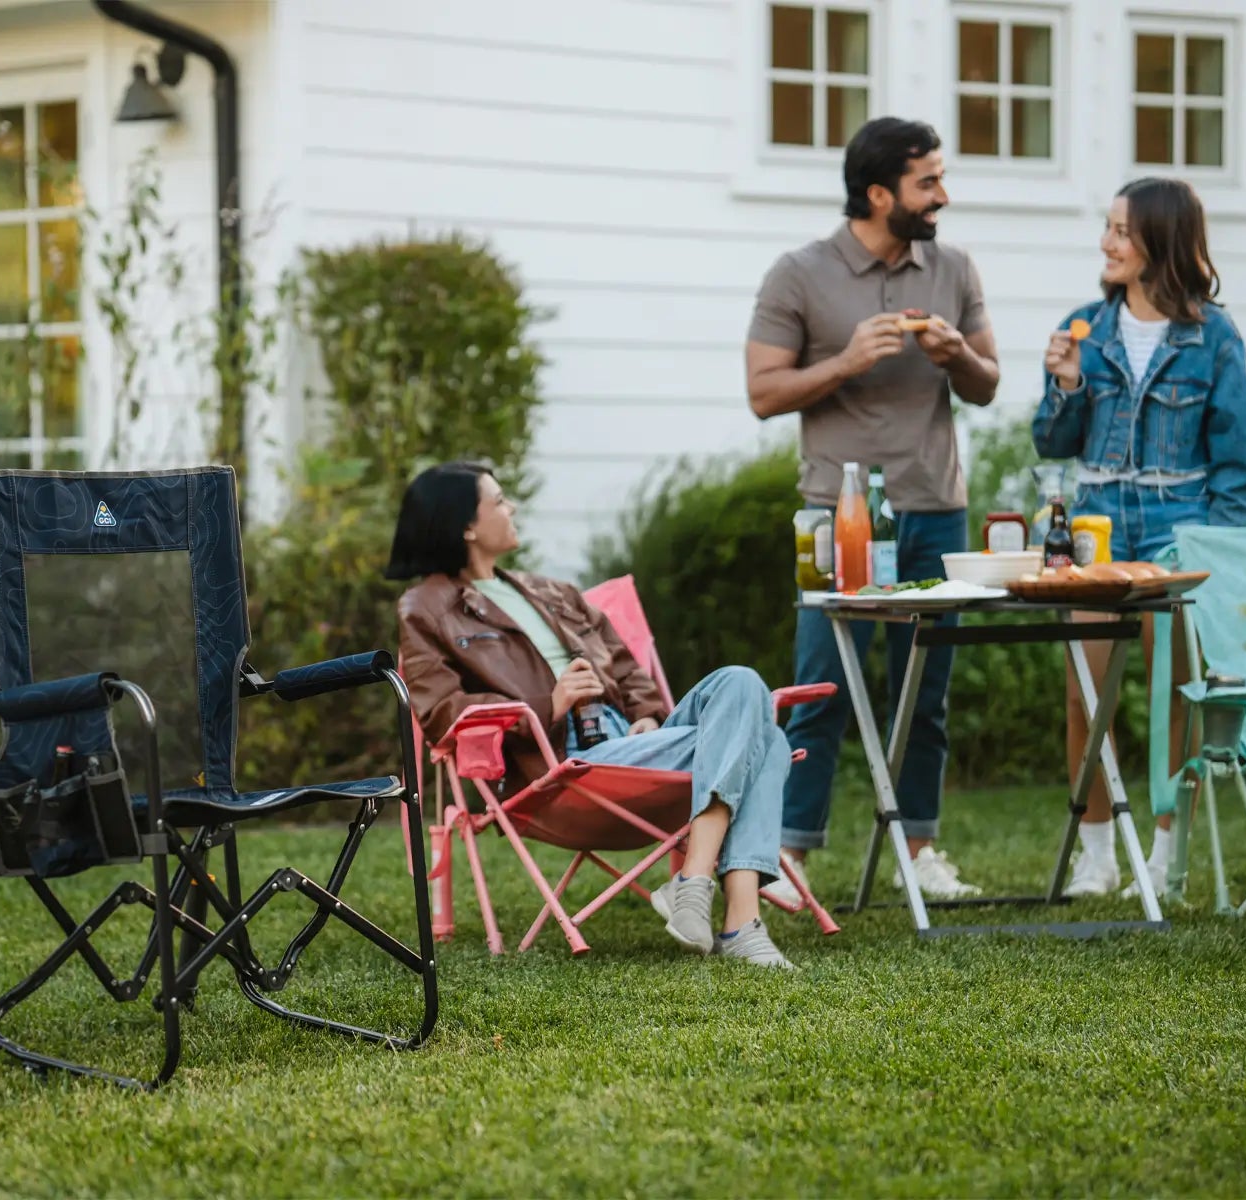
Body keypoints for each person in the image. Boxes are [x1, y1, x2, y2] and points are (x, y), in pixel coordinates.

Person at [388, 463, 797, 969]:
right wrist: (548, 705)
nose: (511, 508)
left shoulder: (552, 593)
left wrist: (649, 713)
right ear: (466, 526)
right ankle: (737, 922)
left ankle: (696, 881)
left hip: (632, 742)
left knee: (740, 681)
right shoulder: (426, 609)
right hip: (563, 764)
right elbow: (439, 711)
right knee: (768, 740)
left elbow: (626, 668)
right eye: (498, 501)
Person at [744, 117, 1000, 901]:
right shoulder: (800, 273)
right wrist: (847, 360)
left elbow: (989, 382)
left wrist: (959, 356)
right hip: (833, 515)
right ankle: (789, 859)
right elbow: (762, 393)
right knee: (821, 688)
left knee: (927, 694)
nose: (943, 196)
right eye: (928, 182)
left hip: (932, 508)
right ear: (880, 191)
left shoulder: (952, 268)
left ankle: (919, 850)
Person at [1035, 177, 1246, 898]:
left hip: (1180, 529)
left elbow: (1238, 464)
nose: (1105, 243)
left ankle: (1167, 854)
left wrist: (1224, 556)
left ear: (1159, 243)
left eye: (1120, 231)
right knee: (1086, 691)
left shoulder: (1214, 337)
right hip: (1097, 530)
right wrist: (1068, 387)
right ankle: (1100, 855)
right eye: (1107, 229)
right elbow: (1052, 440)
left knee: (1177, 698)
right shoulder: (1084, 328)